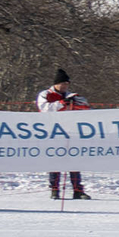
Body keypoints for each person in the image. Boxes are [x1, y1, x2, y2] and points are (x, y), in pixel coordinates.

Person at [36, 70, 89, 200]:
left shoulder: (72, 95)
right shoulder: (45, 94)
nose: (65, 87)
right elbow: (44, 109)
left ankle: (77, 189)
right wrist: (61, 104)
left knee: (74, 160)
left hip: (71, 131)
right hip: (52, 131)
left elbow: (86, 107)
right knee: (55, 160)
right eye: (62, 84)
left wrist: (76, 102)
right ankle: (54, 189)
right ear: (56, 84)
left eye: (67, 84)